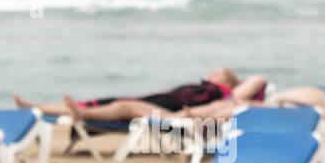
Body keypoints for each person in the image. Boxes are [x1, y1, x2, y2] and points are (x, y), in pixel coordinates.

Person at [14, 68, 269, 123]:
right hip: (169, 109)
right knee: (112, 102)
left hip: (174, 117)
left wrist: (234, 87)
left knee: (122, 105)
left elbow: (257, 80)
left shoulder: (228, 96)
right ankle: (37, 106)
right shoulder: (222, 100)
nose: (212, 74)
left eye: (219, 72)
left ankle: (81, 114)